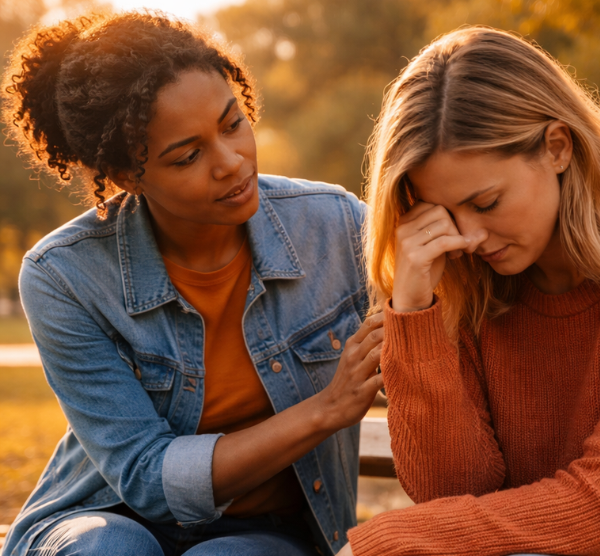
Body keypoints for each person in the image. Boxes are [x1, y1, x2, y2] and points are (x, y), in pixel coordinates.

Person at [1, 12, 385, 556]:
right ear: (128, 177)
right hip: (102, 518)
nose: (232, 163)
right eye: (188, 155)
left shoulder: (337, 226)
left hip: (265, 531)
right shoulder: (63, 275)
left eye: (233, 124)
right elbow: (145, 477)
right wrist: (326, 409)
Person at [340, 27, 600, 556]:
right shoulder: (468, 278)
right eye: (443, 214)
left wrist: (384, 542)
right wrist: (414, 309)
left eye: (487, 202)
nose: (468, 237)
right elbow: (453, 494)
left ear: (557, 147)